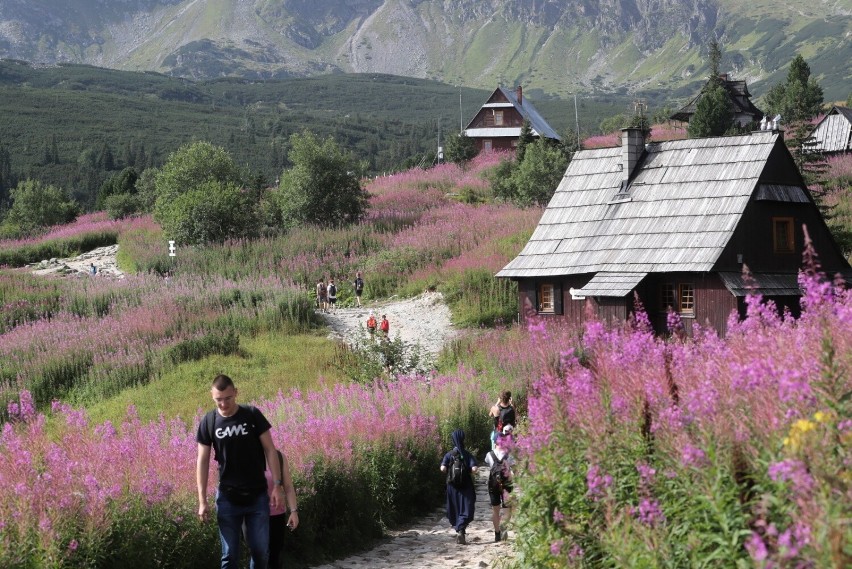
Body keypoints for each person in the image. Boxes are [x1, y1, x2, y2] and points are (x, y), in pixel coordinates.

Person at [197, 374, 286, 569]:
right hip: (227, 498)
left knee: (260, 552)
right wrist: (202, 500)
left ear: (236, 393)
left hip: (257, 497)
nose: (223, 404)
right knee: (229, 556)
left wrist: (277, 486)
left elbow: (270, 450)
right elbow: (202, 461)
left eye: (228, 398)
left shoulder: (252, 414)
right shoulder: (209, 421)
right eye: (218, 400)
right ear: (212, 396)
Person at [440, 429, 477, 544]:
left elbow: (443, 468)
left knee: (454, 508)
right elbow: (474, 469)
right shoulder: (466, 454)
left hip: (452, 486)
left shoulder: (449, 454)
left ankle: (459, 530)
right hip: (466, 486)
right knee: (467, 508)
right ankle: (462, 529)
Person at [264, 449, 299, 569]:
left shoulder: (279, 457)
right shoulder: (246, 456)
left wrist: (294, 512)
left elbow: (288, 487)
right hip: (254, 516)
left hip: (276, 515)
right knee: (259, 556)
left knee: (274, 558)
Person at [485, 426, 515, 542]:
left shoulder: (489, 455)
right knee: (507, 508)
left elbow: (488, 464)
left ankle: (497, 533)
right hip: (507, 484)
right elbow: (514, 467)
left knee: (495, 510)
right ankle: (504, 529)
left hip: (493, 484)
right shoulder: (509, 455)